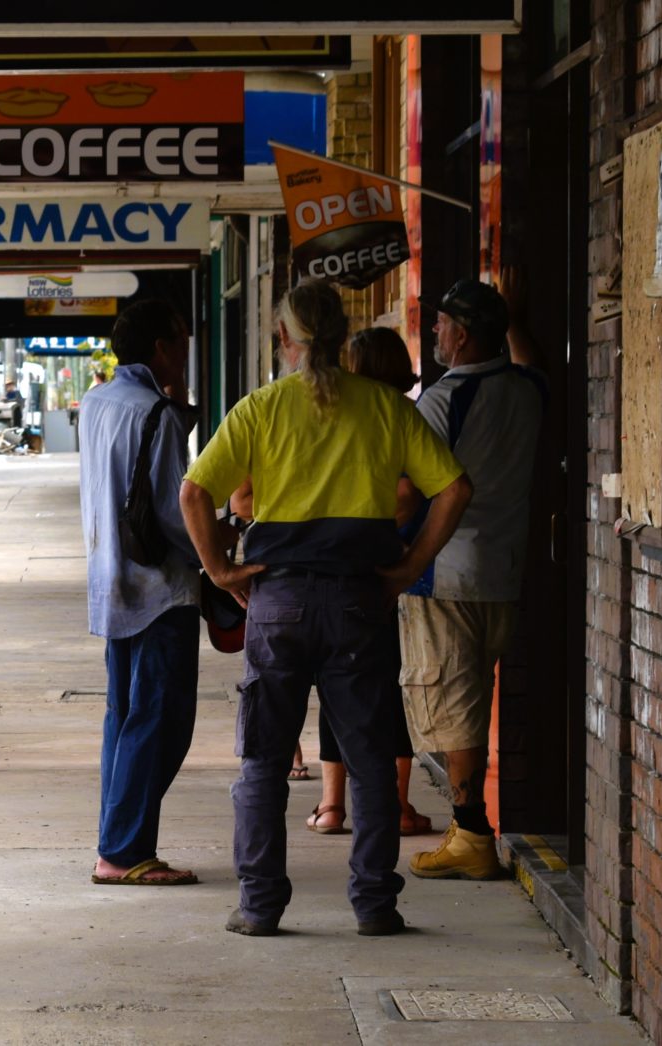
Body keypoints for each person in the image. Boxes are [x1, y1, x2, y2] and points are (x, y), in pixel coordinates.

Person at [181, 279, 472, 937]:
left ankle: (260, 907)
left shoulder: (260, 409)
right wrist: (407, 566)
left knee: (262, 764)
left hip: (277, 600)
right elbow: (454, 490)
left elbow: (195, 493)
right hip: (358, 602)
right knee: (369, 763)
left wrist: (222, 570)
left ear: (284, 339)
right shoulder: (386, 407)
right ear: (341, 337)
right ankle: (373, 905)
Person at [400, 278, 545, 880]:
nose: (434, 331)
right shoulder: (528, 389)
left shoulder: (443, 399)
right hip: (503, 572)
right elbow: (529, 359)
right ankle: (470, 829)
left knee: (452, 702)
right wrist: (513, 317)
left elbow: (410, 490)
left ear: (462, 334)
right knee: (473, 696)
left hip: (446, 574)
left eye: (441, 323)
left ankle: (471, 832)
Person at [266, 327, 432, 836]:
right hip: (386, 577)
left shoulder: (345, 414)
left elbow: (228, 498)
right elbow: (427, 493)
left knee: (334, 690)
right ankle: (395, 809)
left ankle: (333, 804)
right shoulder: (397, 416)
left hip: (340, 574)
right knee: (381, 693)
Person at [78, 299, 203, 887]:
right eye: (180, 337)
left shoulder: (97, 402)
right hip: (160, 590)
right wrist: (219, 551)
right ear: (160, 346)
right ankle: (124, 852)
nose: (186, 349)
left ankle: (118, 841)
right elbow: (173, 515)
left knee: (125, 718)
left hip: (110, 581)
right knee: (160, 721)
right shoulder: (158, 412)